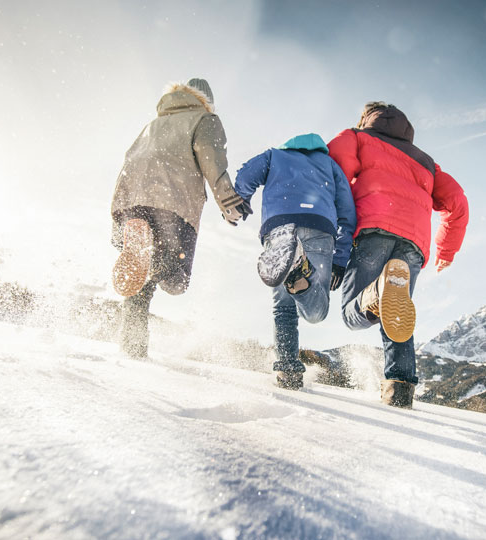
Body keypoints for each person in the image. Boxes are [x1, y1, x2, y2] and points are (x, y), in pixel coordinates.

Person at [328, 102, 469, 408]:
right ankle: (400, 387)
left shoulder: (357, 137)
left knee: (353, 315)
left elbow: (334, 169)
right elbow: (456, 200)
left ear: (367, 120)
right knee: (396, 310)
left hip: (373, 229)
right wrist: (447, 250)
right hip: (413, 242)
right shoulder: (427, 162)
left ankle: (374, 294)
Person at [110, 78, 251, 358]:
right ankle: (150, 261)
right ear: (206, 100)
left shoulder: (152, 125)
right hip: (172, 202)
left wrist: (119, 214)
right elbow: (211, 159)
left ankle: (132, 349)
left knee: (139, 283)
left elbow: (128, 160)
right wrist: (229, 202)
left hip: (132, 199)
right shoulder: (205, 119)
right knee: (176, 281)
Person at [234, 133, 356, 390]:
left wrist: (242, 200)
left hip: (279, 228)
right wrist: (340, 260)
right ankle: (300, 272)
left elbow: (246, 175)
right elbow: (347, 213)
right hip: (319, 229)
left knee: (283, 308)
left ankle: (288, 371)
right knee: (316, 313)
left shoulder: (274, 155)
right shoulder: (330, 165)